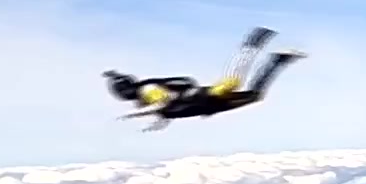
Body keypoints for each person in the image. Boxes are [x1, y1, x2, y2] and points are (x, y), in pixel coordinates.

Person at [112, 34, 306, 131]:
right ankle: (278, 60)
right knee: (255, 96)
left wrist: (138, 115)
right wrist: (158, 120)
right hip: (208, 105)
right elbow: (167, 109)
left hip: (205, 99)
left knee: (232, 82)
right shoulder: (144, 96)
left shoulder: (146, 90)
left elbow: (165, 101)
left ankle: (252, 43)